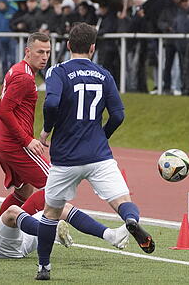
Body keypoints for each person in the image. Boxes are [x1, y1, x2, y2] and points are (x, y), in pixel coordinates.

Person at [36, 23, 155, 281]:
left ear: (68, 46)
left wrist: (46, 130)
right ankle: (130, 221)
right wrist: (103, 135)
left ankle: (44, 266)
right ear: (93, 48)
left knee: (51, 213)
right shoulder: (104, 74)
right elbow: (118, 114)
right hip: (99, 155)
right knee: (122, 202)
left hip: (66, 158)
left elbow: (52, 102)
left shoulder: (57, 71)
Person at [0, 156, 129, 260]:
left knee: (59, 207)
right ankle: (51, 234)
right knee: (13, 211)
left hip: (15, 240)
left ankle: (111, 235)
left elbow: (20, 195)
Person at [0, 33, 52, 214]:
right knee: (54, 186)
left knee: (23, 191)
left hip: (5, 143)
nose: (44, 57)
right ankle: (27, 226)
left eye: (48, 52)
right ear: (27, 51)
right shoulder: (24, 77)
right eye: (39, 52)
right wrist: (27, 140)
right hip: (15, 144)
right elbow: (3, 111)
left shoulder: (19, 69)